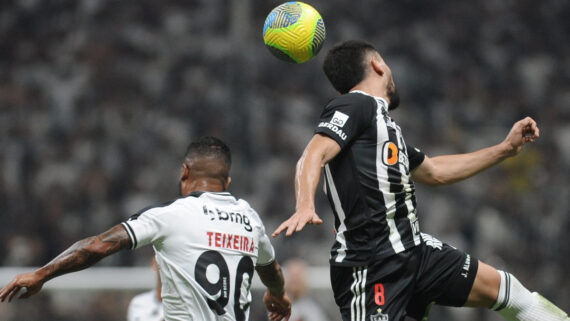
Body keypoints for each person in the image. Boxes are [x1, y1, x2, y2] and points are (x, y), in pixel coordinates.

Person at [272, 40, 569, 321]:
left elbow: (435, 171)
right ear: (377, 65)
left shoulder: (383, 127)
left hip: (416, 251)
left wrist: (505, 149)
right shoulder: (355, 105)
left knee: (511, 293)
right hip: (372, 264)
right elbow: (313, 153)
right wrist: (304, 205)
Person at [0, 136, 291, 321]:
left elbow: (99, 245)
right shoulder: (251, 219)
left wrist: (42, 273)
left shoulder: (170, 215)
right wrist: (277, 296)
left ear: (184, 172)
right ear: (227, 183)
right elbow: (271, 271)